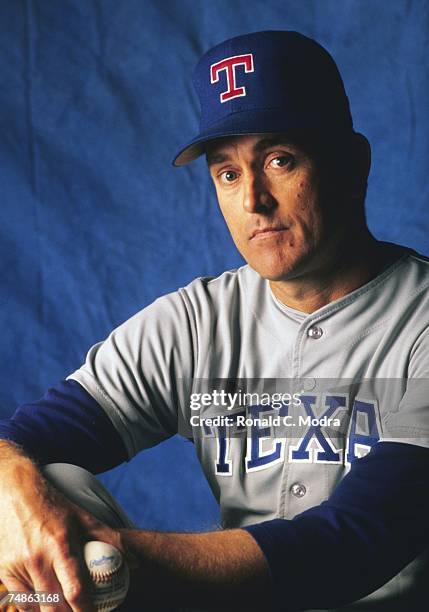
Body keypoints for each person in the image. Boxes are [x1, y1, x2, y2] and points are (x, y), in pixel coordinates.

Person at [1, 30, 429, 612]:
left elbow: (357, 541)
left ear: (354, 163)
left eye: (280, 160)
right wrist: (24, 508)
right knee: (45, 482)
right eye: (228, 173)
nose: (254, 199)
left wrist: (101, 563)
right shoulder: (197, 321)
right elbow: (26, 437)